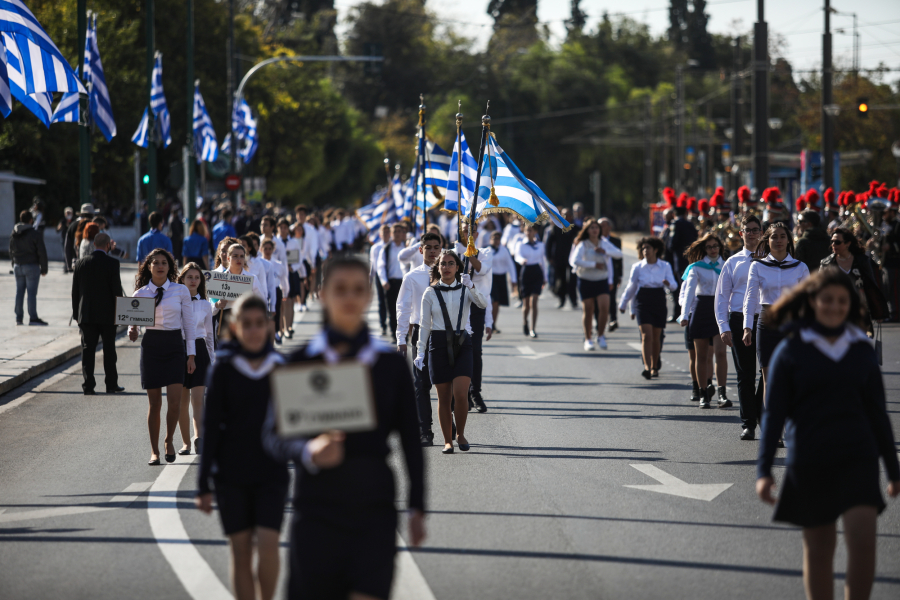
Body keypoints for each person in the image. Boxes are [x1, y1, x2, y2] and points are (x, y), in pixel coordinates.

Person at [261, 257, 425, 599]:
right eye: (339, 289)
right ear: (321, 294)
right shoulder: (299, 362)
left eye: (358, 289)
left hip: (373, 506)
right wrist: (307, 450)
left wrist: (417, 506)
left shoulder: (390, 366)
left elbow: (411, 439)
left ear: (368, 296)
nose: (349, 297)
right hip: (316, 507)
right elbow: (273, 435)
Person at [756, 269, 899, 600]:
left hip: (858, 458)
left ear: (850, 305)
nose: (835, 307)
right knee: (820, 548)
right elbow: (774, 415)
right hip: (810, 458)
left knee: (863, 543)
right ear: (812, 302)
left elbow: (878, 414)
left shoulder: (861, 349)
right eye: (827, 300)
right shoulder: (791, 350)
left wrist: (893, 470)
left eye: (842, 301)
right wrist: (764, 471)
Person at [196, 294, 288, 600]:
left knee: (269, 543)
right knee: (240, 550)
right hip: (231, 473)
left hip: (272, 472)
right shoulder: (223, 368)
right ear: (234, 328)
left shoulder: (281, 367)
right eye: (245, 324)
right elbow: (210, 427)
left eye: (259, 324)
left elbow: (298, 427)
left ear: (269, 326)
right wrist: (203, 484)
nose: (253, 330)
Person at [128, 249, 196, 465]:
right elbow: (133, 324)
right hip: (151, 346)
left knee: (175, 402)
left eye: (164, 262)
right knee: (154, 403)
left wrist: (191, 355)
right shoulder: (140, 294)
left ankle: (169, 440)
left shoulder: (181, 290)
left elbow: (189, 325)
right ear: (149, 266)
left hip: (175, 345)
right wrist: (133, 331)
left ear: (170, 266)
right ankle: (154, 450)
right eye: (155, 262)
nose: (160, 265)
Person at [416, 249, 488, 454]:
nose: (446, 267)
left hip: (462, 342)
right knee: (444, 397)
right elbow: (424, 325)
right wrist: (420, 352)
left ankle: (461, 434)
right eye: (443, 264)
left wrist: (472, 286)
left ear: (458, 267)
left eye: (450, 263)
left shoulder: (465, 288)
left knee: (461, 392)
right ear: (438, 268)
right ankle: (447, 440)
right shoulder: (430, 292)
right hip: (438, 344)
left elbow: (482, 304)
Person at [742, 222, 810, 399]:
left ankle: (791, 424)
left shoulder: (800, 267)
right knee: (769, 379)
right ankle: (771, 425)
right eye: (774, 236)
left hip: (792, 323)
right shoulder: (757, 266)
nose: (778, 240)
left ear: (788, 240)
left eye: (782, 236)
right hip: (767, 323)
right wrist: (747, 327)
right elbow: (750, 298)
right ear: (767, 240)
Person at [715, 214, 765, 440]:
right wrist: (723, 326)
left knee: (768, 372)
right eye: (749, 230)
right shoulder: (733, 262)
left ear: (762, 232)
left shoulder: (771, 261)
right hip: (737, 320)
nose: (752, 233)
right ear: (741, 233)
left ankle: (759, 412)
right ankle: (748, 424)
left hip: (764, 319)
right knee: (745, 375)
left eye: (756, 229)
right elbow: (721, 296)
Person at [397, 232, 444, 445]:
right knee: (421, 384)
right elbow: (403, 308)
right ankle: (425, 430)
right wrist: (401, 339)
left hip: (445, 333)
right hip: (421, 334)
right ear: (421, 249)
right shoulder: (412, 277)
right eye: (429, 247)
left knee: (446, 383)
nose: (433, 251)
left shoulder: (450, 273)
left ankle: (450, 424)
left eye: (437, 247)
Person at [71, 232, 124, 395]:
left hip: (86, 314)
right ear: (108, 246)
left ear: (94, 244)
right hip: (108, 315)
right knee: (109, 350)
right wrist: (121, 313)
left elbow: (75, 291)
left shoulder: (80, 263)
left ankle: (88, 385)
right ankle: (111, 384)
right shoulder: (113, 263)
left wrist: (76, 314)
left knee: (88, 350)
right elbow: (117, 291)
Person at [678, 233, 726, 409]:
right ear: (704, 249)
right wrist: (684, 315)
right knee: (702, 355)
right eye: (709, 247)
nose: (713, 249)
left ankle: (722, 394)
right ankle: (703, 394)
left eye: (715, 246)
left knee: (721, 353)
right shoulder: (696, 267)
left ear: (720, 247)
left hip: (719, 308)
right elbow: (689, 291)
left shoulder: (726, 265)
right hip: (701, 308)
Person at [618, 237, 677, 379]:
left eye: (648, 248)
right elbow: (631, 287)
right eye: (643, 248)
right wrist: (623, 304)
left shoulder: (665, 266)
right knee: (646, 335)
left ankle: (655, 365)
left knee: (656, 337)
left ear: (655, 250)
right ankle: (647, 366)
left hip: (658, 299)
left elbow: (674, 285)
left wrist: (668, 283)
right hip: (642, 300)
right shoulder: (637, 267)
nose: (645, 251)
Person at [176, 263, 215, 455]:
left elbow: (209, 336)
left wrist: (213, 359)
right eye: (189, 277)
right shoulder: (175, 302)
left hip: (200, 350)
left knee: (198, 399)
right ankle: (186, 443)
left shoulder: (205, 305)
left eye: (196, 277)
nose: (193, 280)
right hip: (179, 349)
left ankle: (199, 437)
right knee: (182, 400)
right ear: (182, 279)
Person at [821, 228, 887, 337]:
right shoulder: (826, 263)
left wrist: (878, 310)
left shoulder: (861, 261)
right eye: (832, 241)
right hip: (835, 312)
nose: (833, 244)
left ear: (848, 243)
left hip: (858, 312)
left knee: (858, 346)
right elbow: (821, 288)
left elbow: (871, 286)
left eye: (837, 242)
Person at [455, 222, 493, 412]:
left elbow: (482, 271)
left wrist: (490, 321)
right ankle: (460, 394)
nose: (466, 234)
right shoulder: (453, 252)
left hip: (476, 306)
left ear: (476, 234)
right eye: (463, 231)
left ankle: (475, 392)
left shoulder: (485, 252)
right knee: (458, 350)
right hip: (457, 306)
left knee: (476, 351)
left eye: (470, 232)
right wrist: (457, 253)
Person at [569, 218, 622, 351]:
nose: (594, 230)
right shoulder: (583, 244)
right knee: (588, 310)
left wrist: (605, 252)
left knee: (605, 307)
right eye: (592, 228)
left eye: (596, 228)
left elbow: (619, 254)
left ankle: (601, 335)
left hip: (602, 280)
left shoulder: (604, 243)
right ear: (587, 230)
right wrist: (593, 265)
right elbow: (575, 260)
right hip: (586, 280)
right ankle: (588, 339)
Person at [10, 210, 48, 326]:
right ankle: (33, 318)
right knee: (31, 293)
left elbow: (10, 249)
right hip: (31, 266)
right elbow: (41, 251)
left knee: (19, 292)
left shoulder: (14, 233)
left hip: (18, 265)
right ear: (31, 220)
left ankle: (19, 318)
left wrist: (14, 263)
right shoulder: (34, 233)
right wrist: (44, 268)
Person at [515, 224, 547, 338]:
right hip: (526, 271)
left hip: (537, 272)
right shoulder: (520, 244)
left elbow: (543, 261)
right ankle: (525, 321)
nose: (528, 232)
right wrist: (521, 260)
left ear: (535, 232)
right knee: (526, 303)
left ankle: (533, 328)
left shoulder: (540, 245)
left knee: (534, 301)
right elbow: (517, 256)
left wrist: (545, 277)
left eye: (531, 230)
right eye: (527, 230)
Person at [376, 223, 407, 338]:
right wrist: (384, 281)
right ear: (391, 234)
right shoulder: (386, 248)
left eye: (400, 231)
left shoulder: (406, 247)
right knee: (393, 310)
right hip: (391, 283)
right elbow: (381, 266)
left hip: (404, 283)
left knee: (404, 310)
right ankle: (394, 333)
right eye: (395, 232)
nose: (397, 234)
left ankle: (404, 333)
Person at [545, 208, 578, 309]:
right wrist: (549, 257)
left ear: (571, 216)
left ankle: (574, 301)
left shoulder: (576, 229)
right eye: (562, 215)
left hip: (573, 259)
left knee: (572, 281)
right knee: (561, 281)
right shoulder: (556, 228)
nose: (564, 217)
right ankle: (562, 300)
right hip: (559, 259)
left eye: (567, 215)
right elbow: (549, 244)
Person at [260, 239, 288, 345]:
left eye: (269, 249)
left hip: (276, 290)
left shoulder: (278, 264)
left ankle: (276, 332)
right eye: (265, 249)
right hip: (263, 291)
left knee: (276, 312)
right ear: (261, 249)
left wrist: (285, 291)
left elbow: (283, 278)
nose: (267, 251)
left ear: (273, 250)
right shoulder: (259, 264)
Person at [488, 230, 517, 334]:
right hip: (490, 278)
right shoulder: (486, 251)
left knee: (497, 303)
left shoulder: (504, 250)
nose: (496, 241)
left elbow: (510, 265)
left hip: (501, 277)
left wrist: (514, 280)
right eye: (494, 238)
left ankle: (493, 324)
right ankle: (489, 323)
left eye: (498, 238)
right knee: (493, 301)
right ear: (490, 239)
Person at [600, 219, 624, 332]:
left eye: (604, 225)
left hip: (613, 274)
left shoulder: (616, 241)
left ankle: (613, 319)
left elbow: (619, 259)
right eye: (600, 226)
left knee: (612, 297)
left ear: (609, 227)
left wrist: (620, 275)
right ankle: (600, 320)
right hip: (599, 274)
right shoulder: (595, 241)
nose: (601, 228)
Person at [369, 224, 392, 336]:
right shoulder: (376, 248)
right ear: (380, 234)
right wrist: (371, 278)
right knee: (381, 301)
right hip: (380, 276)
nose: (385, 235)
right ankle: (383, 325)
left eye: (387, 232)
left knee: (392, 302)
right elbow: (373, 264)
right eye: (383, 233)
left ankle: (393, 324)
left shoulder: (393, 246)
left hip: (391, 275)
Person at [880, 204, 900, 322]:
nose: (883, 215)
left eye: (885, 212)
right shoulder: (884, 225)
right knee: (887, 288)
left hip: (895, 262)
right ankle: (889, 312)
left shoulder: (898, 225)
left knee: (895, 289)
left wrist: (891, 247)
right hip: (885, 262)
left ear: (892, 212)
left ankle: (896, 313)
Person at [57, 207, 75, 274]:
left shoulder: (74, 220)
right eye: (67, 213)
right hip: (64, 239)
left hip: (72, 239)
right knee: (65, 253)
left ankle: (71, 266)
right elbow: (57, 230)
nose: (68, 214)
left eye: (69, 213)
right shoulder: (63, 220)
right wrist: (61, 225)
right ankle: (66, 267)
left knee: (72, 253)